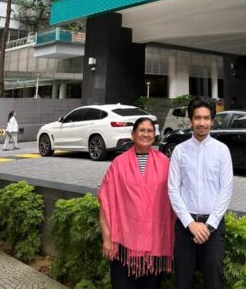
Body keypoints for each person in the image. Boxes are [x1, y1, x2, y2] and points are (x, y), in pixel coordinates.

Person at [98, 117, 175, 289]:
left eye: (150, 131)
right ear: (133, 135)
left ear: (154, 136)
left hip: (154, 243)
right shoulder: (119, 163)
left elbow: (175, 199)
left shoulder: (165, 163)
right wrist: (107, 238)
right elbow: (106, 202)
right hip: (123, 244)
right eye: (142, 130)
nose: (146, 134)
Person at [168, 98, 233, 289]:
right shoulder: (179, 151)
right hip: (185, 227)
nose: (202, 123)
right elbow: (173, 189)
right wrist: (190, 223)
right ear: (191, 121)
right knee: (183, 281)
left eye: (206, 118)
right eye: (197, 118)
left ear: (212, 121)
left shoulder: (222, 151)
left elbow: (226, 189)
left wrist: (209, 226)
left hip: (213, 227)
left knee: (213, 281)